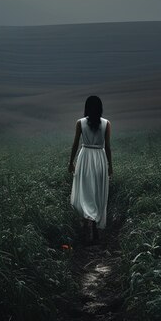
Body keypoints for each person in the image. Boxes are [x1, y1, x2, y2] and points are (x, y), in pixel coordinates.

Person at [68, 96, 112, 244]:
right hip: (100, 158)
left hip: (84, 158)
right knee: (97, 192)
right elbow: (108, 147)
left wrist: (71, 162)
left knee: (85, 191)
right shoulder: (107, 124)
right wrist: (110, 166)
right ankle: (94, 226)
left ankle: (86, 224)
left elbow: (75, 144)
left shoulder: (80, 123)